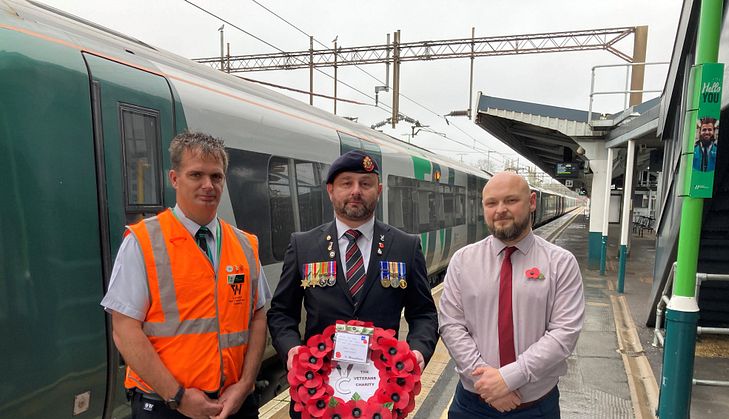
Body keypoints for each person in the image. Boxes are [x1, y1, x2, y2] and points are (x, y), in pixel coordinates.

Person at [101, 132, 271, 419]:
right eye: (196, 175)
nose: (208, 185)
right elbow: (124, 328)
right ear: (174, 178)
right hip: (166, 406)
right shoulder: (144, 241)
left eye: (216, 177)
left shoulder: (244, 244)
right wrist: (177, 396)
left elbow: (258, 317)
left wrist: (244, 385)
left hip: (235, 403)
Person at [267, 150, 438, 416]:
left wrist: (418, 352)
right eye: (347, 183)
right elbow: (281, 312)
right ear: (331, 190)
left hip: (383, 399)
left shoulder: (405, 246)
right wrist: (292, 350)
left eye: (365, 183)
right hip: (316, 396)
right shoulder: (303, 245)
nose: (356, 191)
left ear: (378, 190)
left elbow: (424, 313)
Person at [438, 171, 584, 418]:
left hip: (535, 408)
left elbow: (564, 333)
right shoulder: (463, 261)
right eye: (491, 203)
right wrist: (488, 384)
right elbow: (451, 324)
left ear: (532, 202)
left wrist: (508, 378)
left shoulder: (561, 263)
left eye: (511, 200)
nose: (500, 210)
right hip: (472, 405)